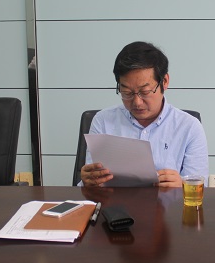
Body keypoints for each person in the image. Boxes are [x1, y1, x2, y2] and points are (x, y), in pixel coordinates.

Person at [80, 41, 208, 188]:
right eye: (127, 93)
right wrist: (89, 181)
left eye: (145, 92)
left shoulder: (189, 127)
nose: (137, 102)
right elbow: (93, 182)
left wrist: (182, 186)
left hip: (168, 203)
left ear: (164, 82)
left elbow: (199, 187)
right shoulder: (103, 121)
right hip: (114, 202)